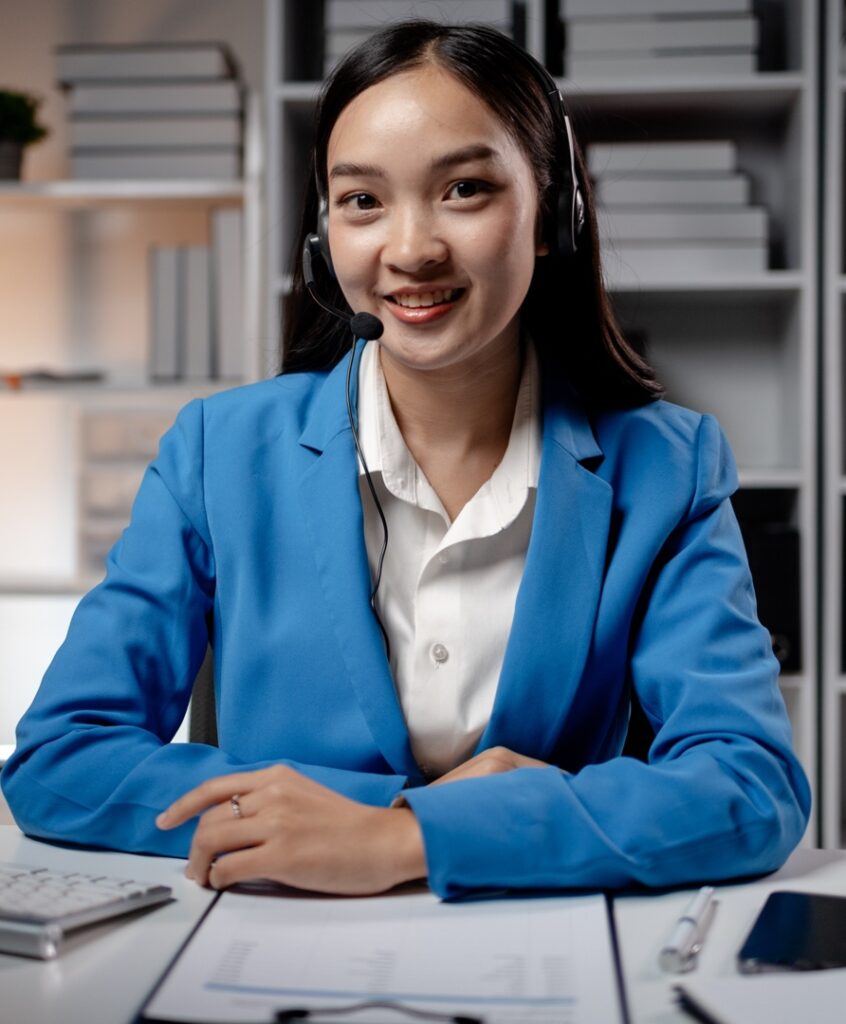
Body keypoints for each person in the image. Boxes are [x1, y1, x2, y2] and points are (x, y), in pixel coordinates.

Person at [2, 21, 810, 899]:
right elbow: (60, 758)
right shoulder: (216, 453)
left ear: (553, 216)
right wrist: (377, 816)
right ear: (323, 238)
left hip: (544, 958)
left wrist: (402, 842)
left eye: (464, 189)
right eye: (362, 202)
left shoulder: (668, 468)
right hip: (266, 948)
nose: (412, 248)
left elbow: (749, 789)